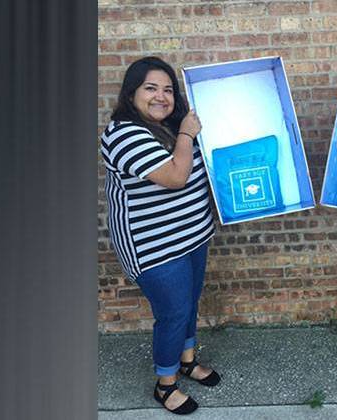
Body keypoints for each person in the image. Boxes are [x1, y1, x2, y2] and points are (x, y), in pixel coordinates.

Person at [100, 56, 219, 415]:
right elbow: (174, 177)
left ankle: (186, 360)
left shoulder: (170, 126)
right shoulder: (123, 133)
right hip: (154, 247)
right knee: (173, 311)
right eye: (150, 88)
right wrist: (186, 132)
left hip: (192, 234)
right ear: (131, 92)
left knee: (191, 301)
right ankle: (165, 385)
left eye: (168, 89)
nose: (161, 96)